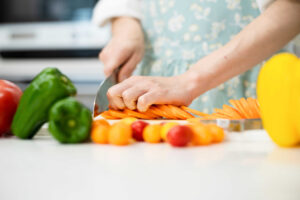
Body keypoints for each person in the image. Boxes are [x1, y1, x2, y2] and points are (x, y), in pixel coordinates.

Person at [92, 0, 300, 113]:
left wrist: (187, 82)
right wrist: (126, 29)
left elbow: (293, 8)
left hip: (253, 85)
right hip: (158, 88)